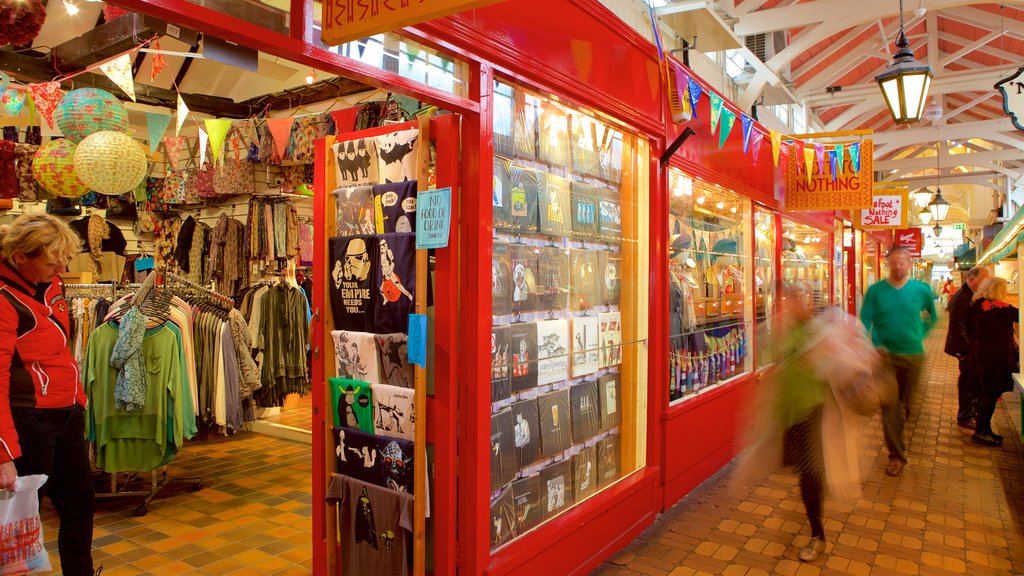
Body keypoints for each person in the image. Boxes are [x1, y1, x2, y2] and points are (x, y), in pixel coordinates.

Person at [0, 213, 96, 575]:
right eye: (52, 257)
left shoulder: (51, 282)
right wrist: (3, 453)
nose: (62, 264)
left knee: (80, 506)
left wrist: (79, 399)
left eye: (65, 255)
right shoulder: (5, 299)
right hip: (29, 420)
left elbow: (61, 350)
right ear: (21, 256)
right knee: (21, 520)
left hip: (66, 413)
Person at [860, 247, 937, 477]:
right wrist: (872, 345)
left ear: (909, 263)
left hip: (914, 355)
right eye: (893, 262)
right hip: (886, 359)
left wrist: (920, 333)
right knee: (890, 407)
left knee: (910, 405)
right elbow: (864, 320)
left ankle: (903, 422)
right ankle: (896, 455)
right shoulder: (875, 291)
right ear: (887, 264)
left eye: (902, 262)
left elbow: (931, 316)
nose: (898, 266)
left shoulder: (921, 289)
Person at [773, 286, 829, 562]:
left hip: (810, 410)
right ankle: (819, 478)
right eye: (783, 302)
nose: (786, 307)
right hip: (791, 412)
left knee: (808, 474)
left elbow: (828, 362)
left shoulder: (814, 329)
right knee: (800, 468)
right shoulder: (788, 329)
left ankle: (818, 535)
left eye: (791, 302)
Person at [966, 277, 1018, 446]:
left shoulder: (977, 304)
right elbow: (1019, 315)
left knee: (984, 393)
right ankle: (982, 432)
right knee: (990, 394)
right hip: (994, 357)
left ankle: (984, 429)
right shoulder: (1000, 307)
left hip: (980, 354)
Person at [944, 266, 989, 429]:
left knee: (972, 381)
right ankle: (965, 416)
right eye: (983, 279)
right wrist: (966, 350)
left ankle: (969, 414)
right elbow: (957, 326)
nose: (986, 282)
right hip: (965, 348)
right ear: (971, 280)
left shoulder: (972, 295)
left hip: (971, 346)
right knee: (968, 382)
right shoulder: (962, 297)